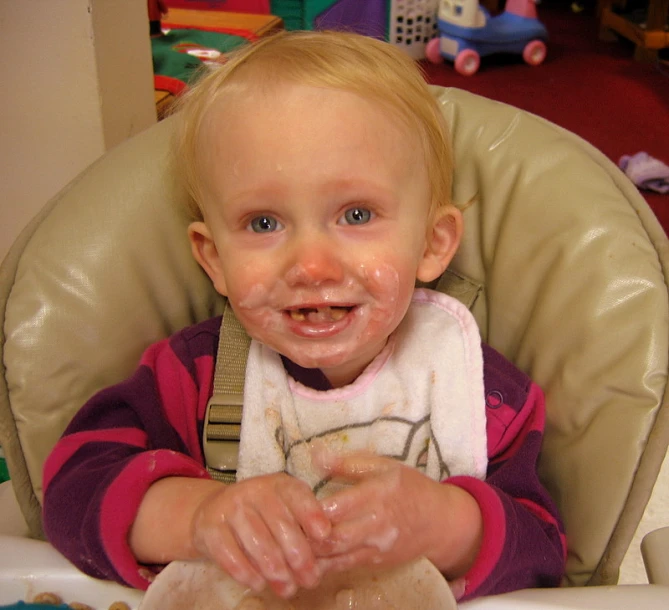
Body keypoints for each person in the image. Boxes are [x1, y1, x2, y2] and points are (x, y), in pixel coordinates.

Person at [42, 30, 566, 602]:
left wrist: (447, 525)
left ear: (432, 245)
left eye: (357, 214)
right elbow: (72, 489)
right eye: (264, 223)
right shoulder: (197, 379)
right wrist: (197, 516)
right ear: (213, 259)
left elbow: (543, 551)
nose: (312, 266)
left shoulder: (482, 394)